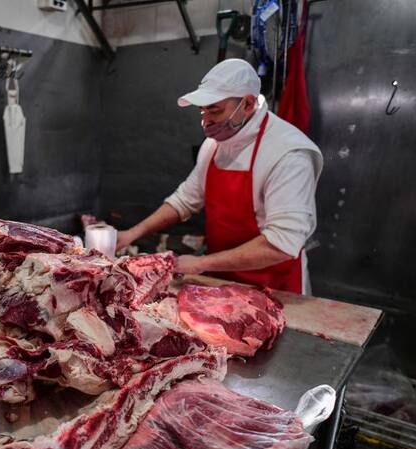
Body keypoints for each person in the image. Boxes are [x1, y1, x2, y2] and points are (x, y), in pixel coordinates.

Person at [116, 59, 323, 294]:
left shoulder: (288, 153)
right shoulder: (214, 146)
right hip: (222, 282)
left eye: (215, 110)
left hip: (274, 286)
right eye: (203, 111)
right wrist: (131, 234)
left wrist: (202, 263)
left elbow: (281, 244)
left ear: (247, 104)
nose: (206, 121)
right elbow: (186, 199)